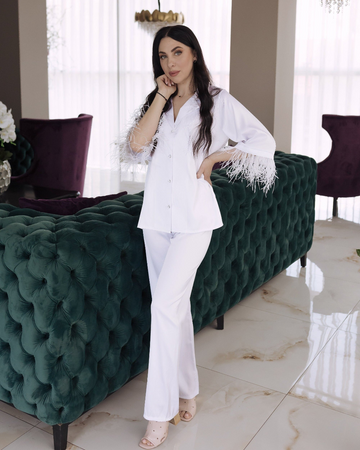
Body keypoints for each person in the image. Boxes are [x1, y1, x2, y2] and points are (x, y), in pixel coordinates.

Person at [118, 25, 276, 449]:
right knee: (176, 309)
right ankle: (188, 390)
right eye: (163, 55)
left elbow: (264, 141)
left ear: (193, 54)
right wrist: (160, 97)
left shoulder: (218, 101)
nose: (171, 62)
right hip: (154, 220)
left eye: (178, 52)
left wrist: (217, 156)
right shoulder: (161, 102)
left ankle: (157, 416)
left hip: (194, 221)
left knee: (164, 305)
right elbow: (135, 146)